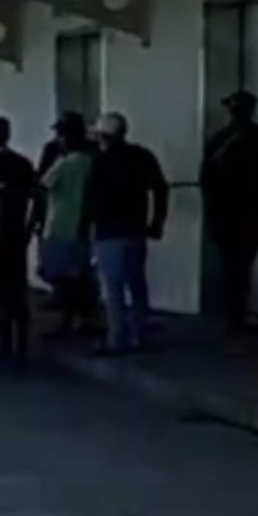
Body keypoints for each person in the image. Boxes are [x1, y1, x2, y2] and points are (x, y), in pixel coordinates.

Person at [80, 112, 168, 354]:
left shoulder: (100, 162)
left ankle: (116, 338)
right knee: (137, 285)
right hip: (136, 230)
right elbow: (160, 188)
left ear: (104, 137)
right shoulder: (141, 156)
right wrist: (157, 221)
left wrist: (84, 231)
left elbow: (89, 200)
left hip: (108, 232)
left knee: (113, 289)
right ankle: (139, 335)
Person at [201, 89, 258, 337]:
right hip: (250, 210)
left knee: (230, 267)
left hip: (226, 212)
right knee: (242, 266)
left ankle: (233, 317)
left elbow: (206, 180)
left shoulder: (220, 139)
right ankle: (237, 316)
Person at [0, 118, 44, 371]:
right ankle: (21, 348)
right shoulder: (22, 163)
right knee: (16, 292)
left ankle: (4, 348)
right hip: (16, 235)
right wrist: (30, 227)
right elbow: (38, 196)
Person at [38, 113, 98, 339]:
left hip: (60, 225)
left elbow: (43, 185)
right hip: (84, 225)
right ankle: (84, 318)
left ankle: (68, 321)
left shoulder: (64, 161)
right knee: (81, 275)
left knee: (63, 277)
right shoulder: (94, 158)